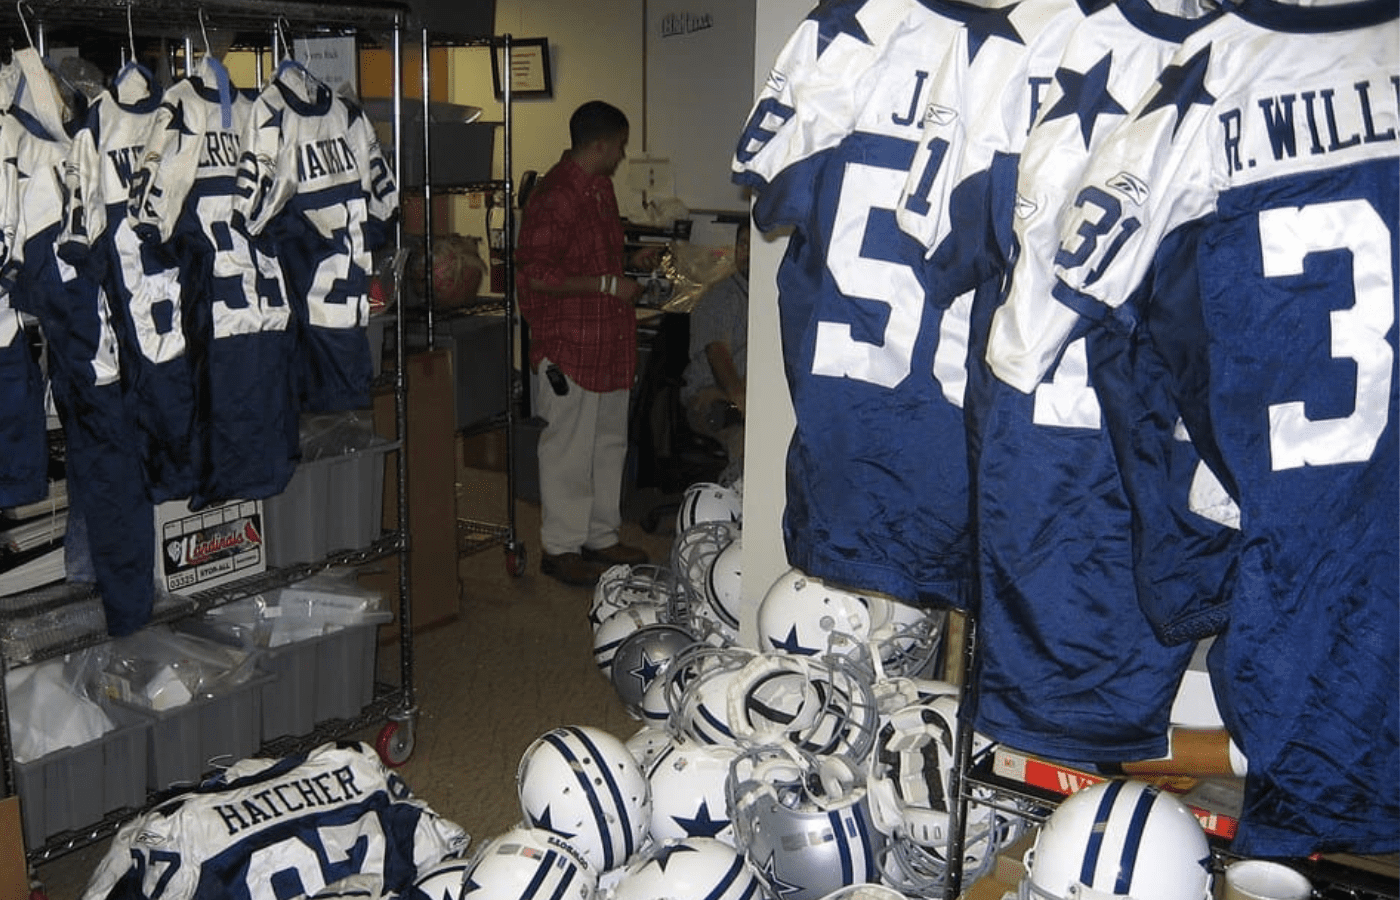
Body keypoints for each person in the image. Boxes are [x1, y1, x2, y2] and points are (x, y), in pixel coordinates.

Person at [516, 100, 658, 587]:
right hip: (570, 348)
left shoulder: (600, 189)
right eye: (619, 146)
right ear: (599, 145)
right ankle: (560, 548)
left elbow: (588, 259)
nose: (622, 155)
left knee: (608, 446)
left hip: (608, 345)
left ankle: (600, 536)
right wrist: (608, 284)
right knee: (568, 452)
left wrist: (630, 259)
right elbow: (536, 276)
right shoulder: (556, 195)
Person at [681, 220, 749, 482]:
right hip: (710, 396)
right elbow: (718, 356)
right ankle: (736, 494)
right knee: (745, 435)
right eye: (742, 245)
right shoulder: (723, 297)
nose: (747, 253)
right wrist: (743, 401)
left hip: (748, 393)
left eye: (754, 247)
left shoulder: (769, 297)